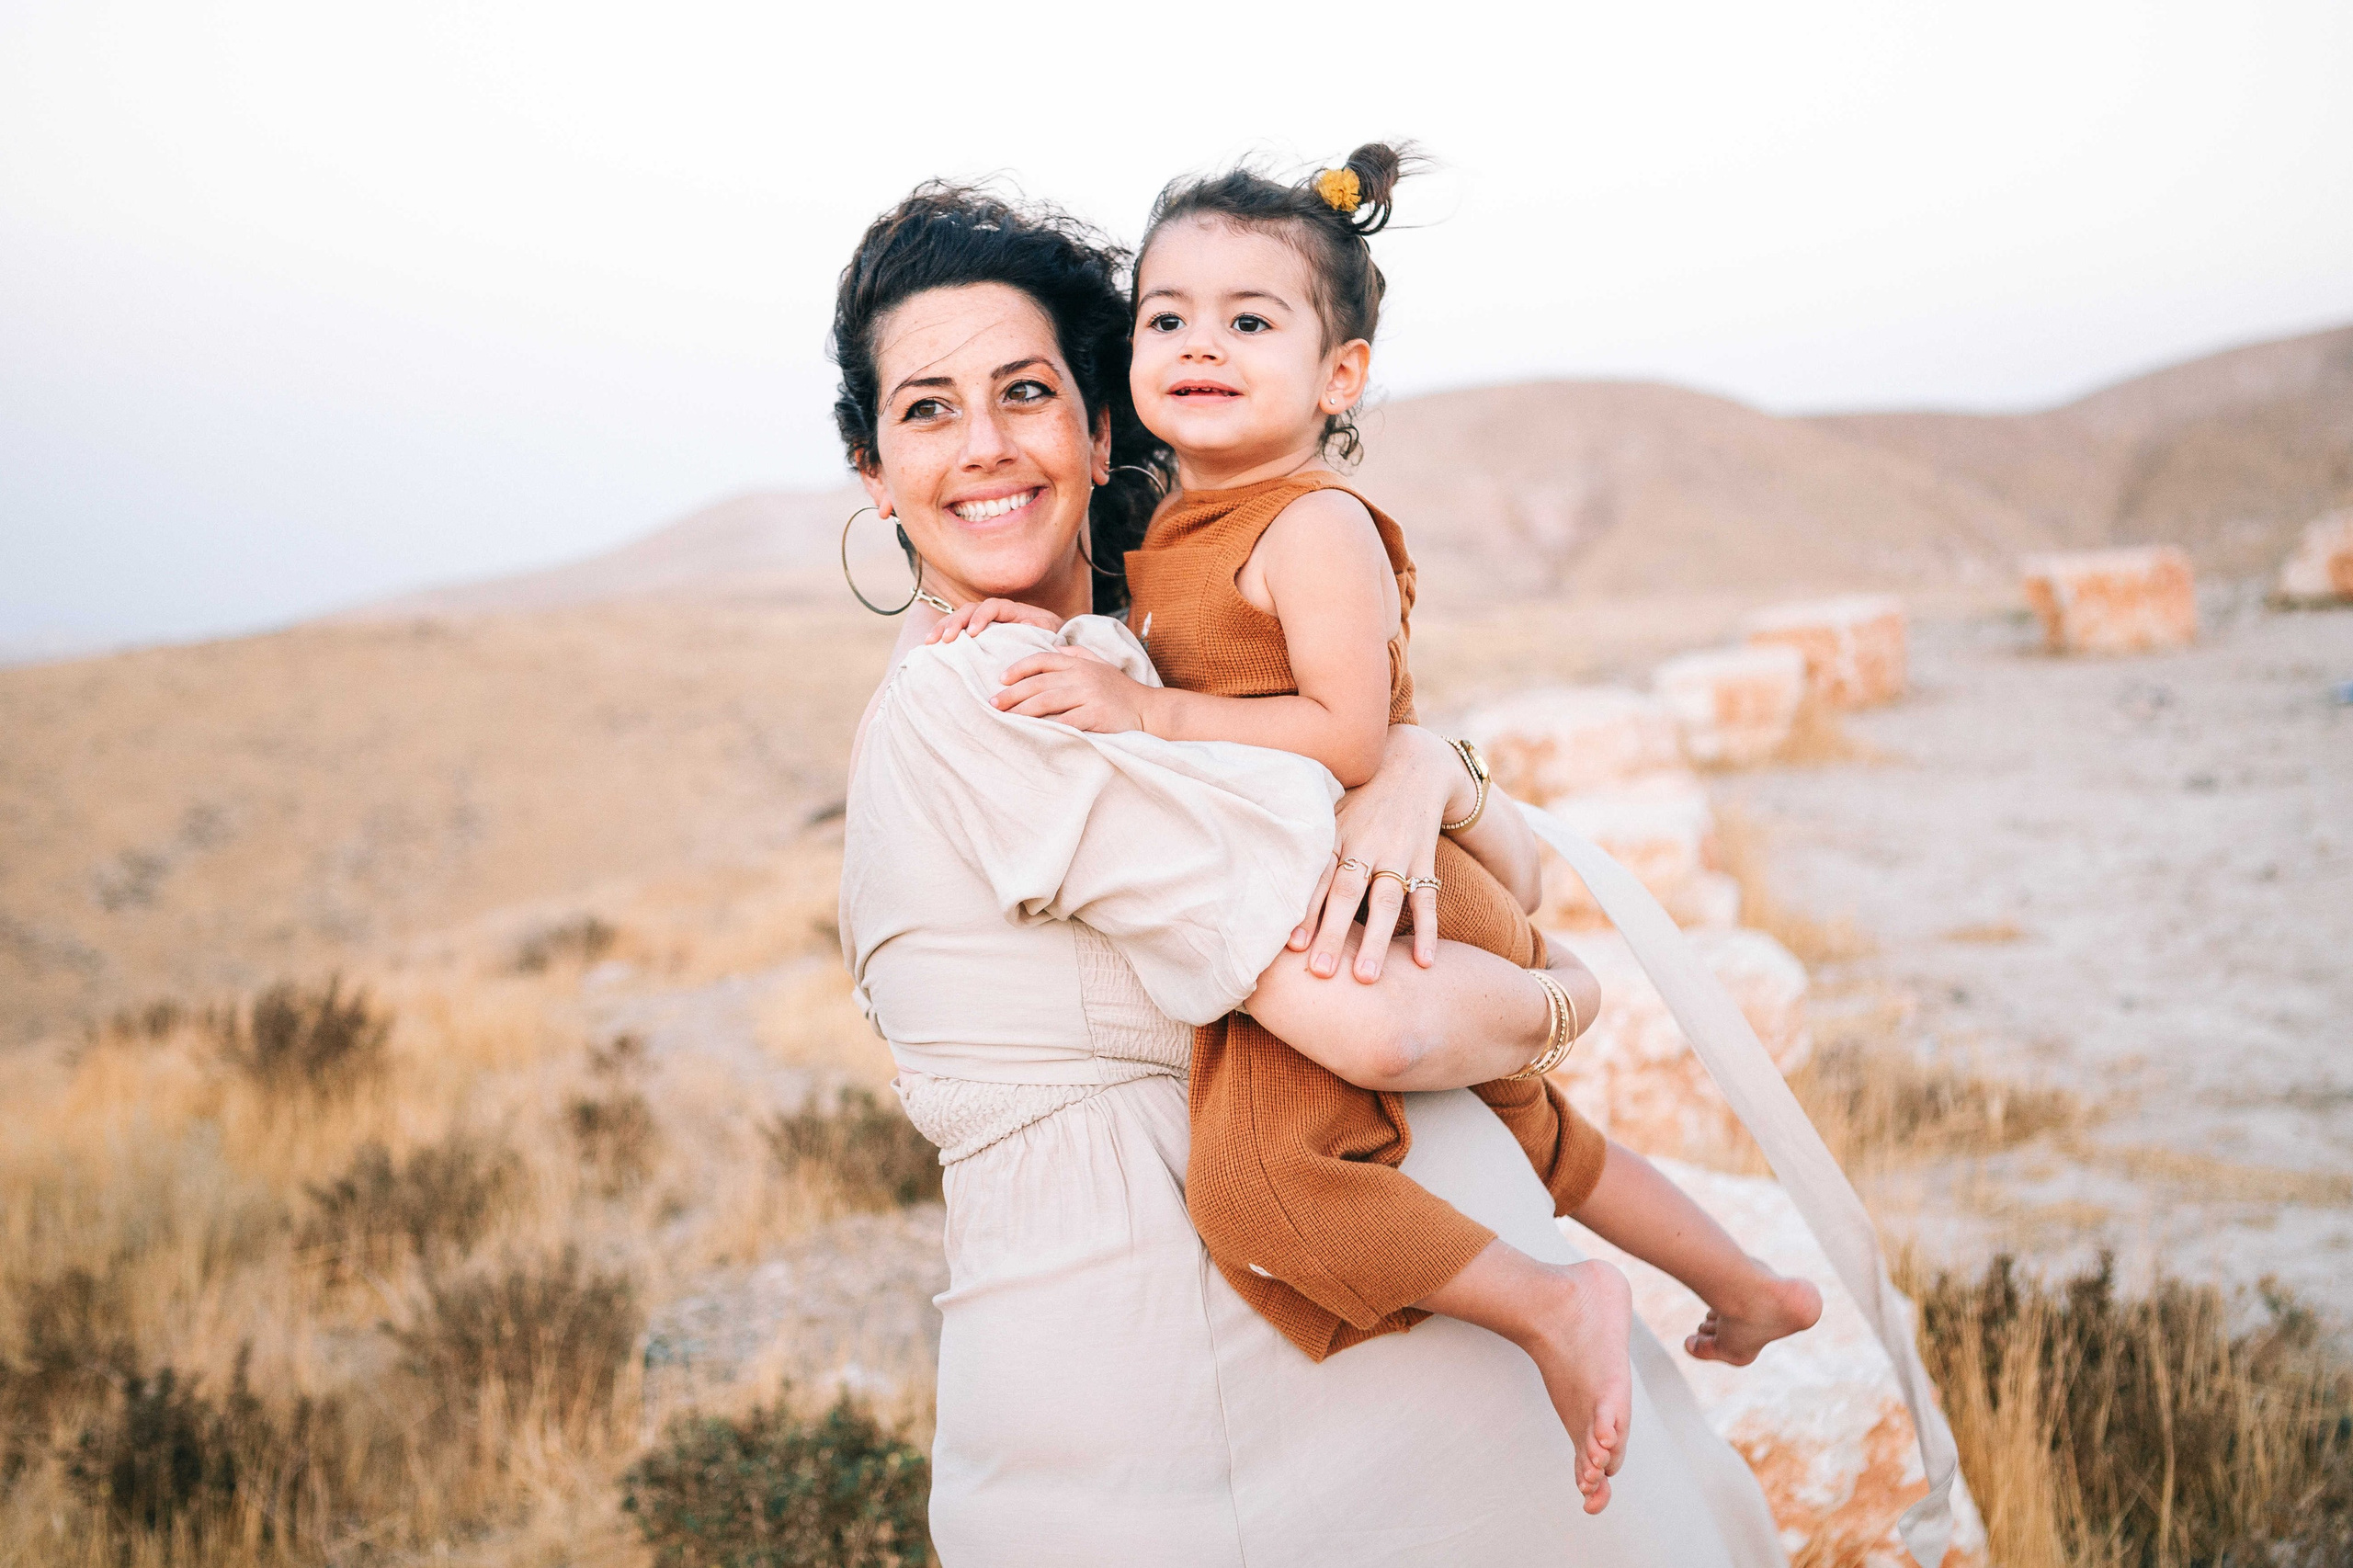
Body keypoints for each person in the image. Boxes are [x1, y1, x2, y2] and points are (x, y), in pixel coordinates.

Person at [834, 180, 1789, 1565]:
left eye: (1026, 392)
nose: (984, 446)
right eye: (926, 408)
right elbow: (1387, 1018)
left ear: (1101, 432)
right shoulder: (982, 699)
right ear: (874, 472)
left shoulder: (1128, 659)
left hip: (1359, 1390)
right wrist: (1566, 992)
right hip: (1196, 1401)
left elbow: (1474, 841)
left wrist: (1422, 770)